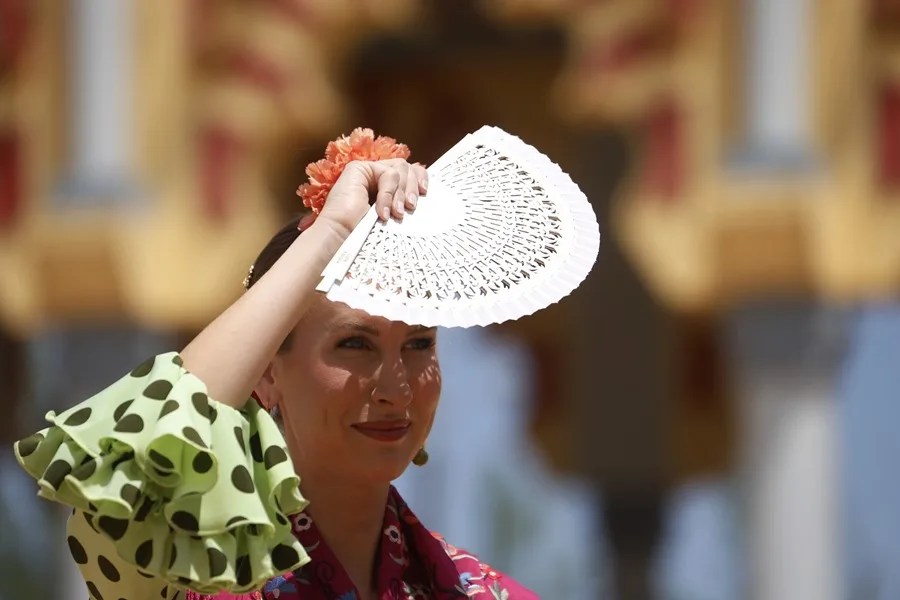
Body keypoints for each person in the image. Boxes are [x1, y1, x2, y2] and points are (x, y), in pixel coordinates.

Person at [13, 130, 539, 600]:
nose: (395, 388)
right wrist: (330, 232)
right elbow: (135, 460)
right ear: (267, 371)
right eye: (355, 345)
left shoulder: (483, 593)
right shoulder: (194, 572)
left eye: (419, 344)